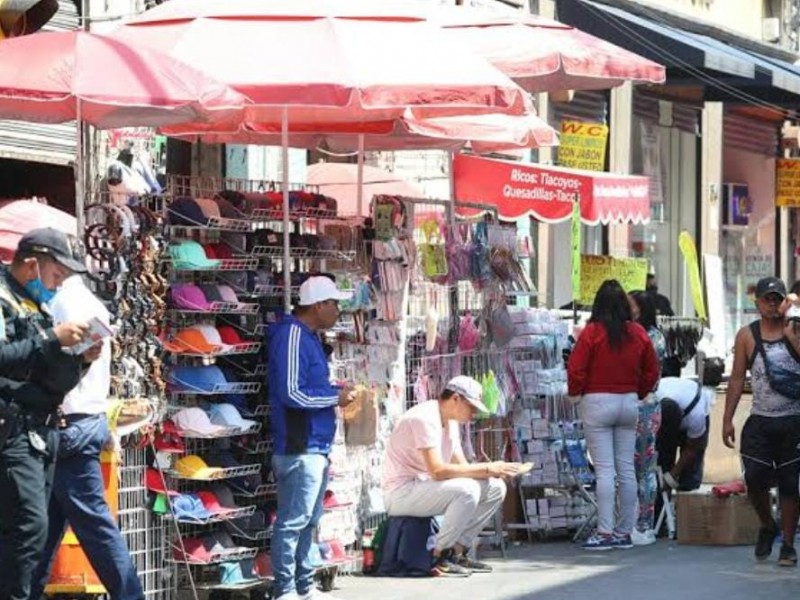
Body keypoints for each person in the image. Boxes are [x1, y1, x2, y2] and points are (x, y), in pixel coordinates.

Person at [29, 274, 144, 600]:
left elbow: (64, 367)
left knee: (94, 528)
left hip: (69, 426)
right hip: (82, 422)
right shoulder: (87, 302)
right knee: (41, 530)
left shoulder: (65, 304)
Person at [0, 228, 95, 600]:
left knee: (33, 536)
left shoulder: (38, 308)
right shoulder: (4, 297)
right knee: (28, 528)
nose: (57, 287)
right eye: (56, 276)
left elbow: (50, 378)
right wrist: (51, 339)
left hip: (42, 433)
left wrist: (82, 360)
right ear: (33, 264)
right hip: (12, 430)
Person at [267, 276, 356, 600]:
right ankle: (286, 589)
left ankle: (304, 587)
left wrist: (335, 392)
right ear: (318, 305)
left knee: (307, 521)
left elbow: (304, 390)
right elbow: (291, 393)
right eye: (334, 303)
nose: (337, 310)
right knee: (293, 522)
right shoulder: (292, 335)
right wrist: (334, 398)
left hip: (313, 445)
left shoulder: (307, 337)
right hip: (299, 444)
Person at [382, 376, 521, 577]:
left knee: (495, 488)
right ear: (455, 399)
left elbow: (462, 467)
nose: (473, 413)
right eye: (471, 407)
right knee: (468, 490)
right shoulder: (424, 418)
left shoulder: (451, 421)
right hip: (401, 492)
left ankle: (457, 550)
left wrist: (493, 473)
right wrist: (488, 468)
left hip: (422, 487)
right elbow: (438, 471)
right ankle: (437, 554)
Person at [567, 279, 660, 551]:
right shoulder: (638, 333)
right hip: (629, 402)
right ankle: (624, 531)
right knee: (627, 469)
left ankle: (604, 532)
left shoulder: (591, 332)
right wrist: (639, 392)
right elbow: (651, 371)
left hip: (597, 402)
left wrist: (576, 392)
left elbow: (576, 369)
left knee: (605, 470)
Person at [723, 276, 800, 567]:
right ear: (756, 304)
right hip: (760, 421)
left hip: (793, 420)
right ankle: (768, 524)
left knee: (790, 485)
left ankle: (789, 545)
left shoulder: (795, 330)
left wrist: (794, 329)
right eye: (767, 298)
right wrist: (727, 419)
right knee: (754, 479)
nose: (772, 304)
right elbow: (736, 378)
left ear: (784, 302)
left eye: (777, 299)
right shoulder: (747, 335)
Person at [628, 290, 666, 546]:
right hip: (640, 404)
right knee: (637, 468)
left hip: (643, 405)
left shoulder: (647, 337)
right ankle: (636, 522)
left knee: (643, 468)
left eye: (629, 305)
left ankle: (644, 523)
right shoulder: (648, 335)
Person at [656, 357, 724, 494]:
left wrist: (671, 477)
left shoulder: (697, 415)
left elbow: (692, 448)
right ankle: (660, 502)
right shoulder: (652, 402)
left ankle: (688, 498)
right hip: (668, 410)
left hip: (693, 404)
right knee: (663, 458)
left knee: (691, 470)